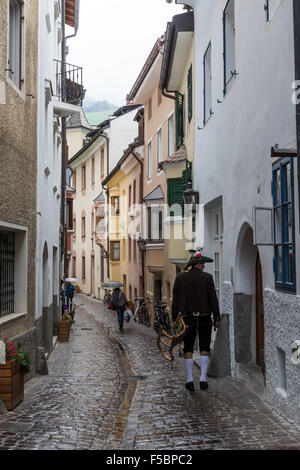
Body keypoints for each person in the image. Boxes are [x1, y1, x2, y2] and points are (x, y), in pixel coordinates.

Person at [172, 252, 221, 392]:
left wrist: (174, 318)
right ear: (197, 264)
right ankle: (203, 379)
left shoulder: (180, 278)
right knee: (204, 347)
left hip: (188, 318)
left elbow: (175, 299)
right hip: (205, 317)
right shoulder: (207, 278)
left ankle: (189, 380)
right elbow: (213, 299)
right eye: (202, 264)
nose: (204, 266)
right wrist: (217, 317)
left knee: (188, 348)